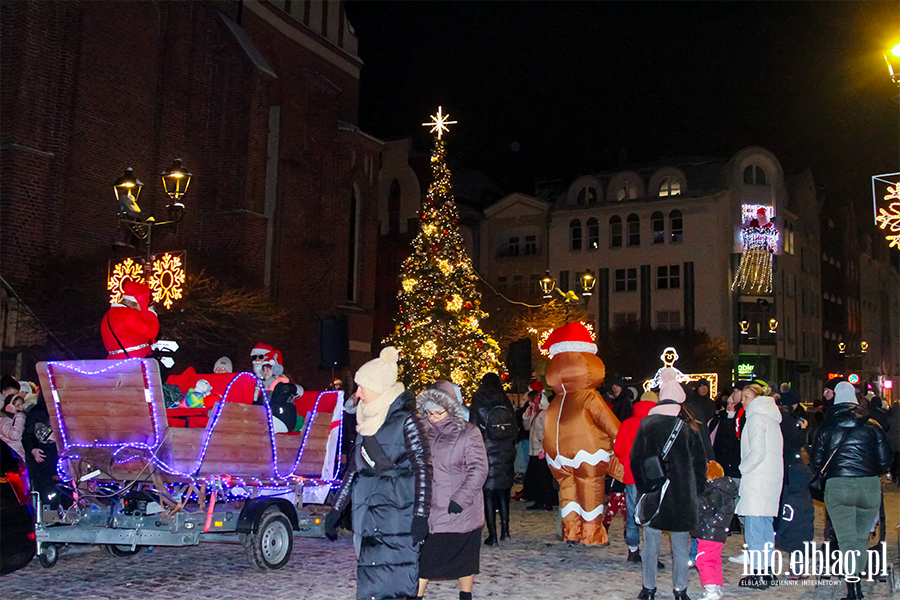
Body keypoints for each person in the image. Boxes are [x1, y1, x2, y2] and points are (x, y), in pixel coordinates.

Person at [325, 347, 432, 600]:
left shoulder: (407, 420)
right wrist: (337, 510)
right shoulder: (366, 418)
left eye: (362, 387)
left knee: (393, 580)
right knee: (372, 577)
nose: (357, 393)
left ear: (379, 387)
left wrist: (420, 515)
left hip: (396, 511)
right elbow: (355, 467)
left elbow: (423, 469)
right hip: (366, 510)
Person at [809, 381, 891, 600]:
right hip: (868, 486)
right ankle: (857, 584)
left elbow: (816, 461)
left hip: (838, 486)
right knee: (861, 538)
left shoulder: (826, 426)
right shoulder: (873, 425)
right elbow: (885, 461)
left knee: (846, 539)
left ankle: (853, 589)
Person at [630, 368, 707, 600]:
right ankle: (680, 590)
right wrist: (698, 492)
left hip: (656, 492)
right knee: (680, 546)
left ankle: (649, 588)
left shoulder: (647, 424)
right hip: (682, 494)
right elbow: (699, 464)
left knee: (651, 544)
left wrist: (646, 487)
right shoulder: (688, 426)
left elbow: (636, 459)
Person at [415, 387, 488, 600]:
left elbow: (479, 469)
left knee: (464, 557)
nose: (434, 417)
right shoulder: (420, 432)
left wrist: (461, 498)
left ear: (451, 409)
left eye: (439, 412)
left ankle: (466, 595)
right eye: (430, 413)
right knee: (425, 559)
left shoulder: (468, 432)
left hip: (459, 508)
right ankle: (417, 596)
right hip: (431, 507)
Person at [733, 382, 783, 589]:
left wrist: (742, 468)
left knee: (754, 528)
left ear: (757, 398)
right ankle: (767, 570)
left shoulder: (755, 419)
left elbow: (757, 452)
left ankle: (759, 573)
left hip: (757, 480)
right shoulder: (771, 418)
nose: (743, 401)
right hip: (770, 479)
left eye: (746, 397)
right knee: (765, 528)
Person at [469, 372, 517, 546]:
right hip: (505, 450)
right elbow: (515, 426)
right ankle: (505, 531)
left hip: (486, 450)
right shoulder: (504, 399)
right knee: (504, 493)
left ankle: (492, 536)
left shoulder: (478, 400)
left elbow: (473, 427)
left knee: (488, 494)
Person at [613, 389, 657, 564]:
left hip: (632, 475)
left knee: (632, 512)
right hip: (654, 477)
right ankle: (651, 552)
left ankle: (633, 549)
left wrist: (626, 461)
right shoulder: (657, 423)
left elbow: (618, 448)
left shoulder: (628, 423)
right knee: (651, 514)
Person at [774, 387, 814, 561]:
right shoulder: (786, 419)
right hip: (790, 465)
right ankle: (784, 534)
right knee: (791, 502)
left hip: (784, 463)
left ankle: (782, 532)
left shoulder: (778, 417)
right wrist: (803, 430)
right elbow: (796, 440)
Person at [692, 461, 738, 600]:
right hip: (717, 532)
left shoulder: (713, 493)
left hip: (708, 532)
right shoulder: (725, 492)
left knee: (704, 560)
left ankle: (711, 588)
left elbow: (704, 509)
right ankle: (717, 586)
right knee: (714, 560)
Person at [522, 388, 556, 511]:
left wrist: (543, 448)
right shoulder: (536, 412)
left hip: (541, 450)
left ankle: (545, 501)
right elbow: (527, 427)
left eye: (531, 401)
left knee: (542, 477)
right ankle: (542, 500)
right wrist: (526, 416)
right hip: (534, 449)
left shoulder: (545, 413)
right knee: (539, 477)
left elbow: (548, 432)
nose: (529, 404)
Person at [0, 394, 26, 460]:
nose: (20, 408)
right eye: (17, 405)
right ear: (9, 407)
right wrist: (20, 416)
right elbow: (15, 435)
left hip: (19, 455)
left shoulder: (14, 418)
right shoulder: (4, 420)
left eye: (21, 404)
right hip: (15, 456)